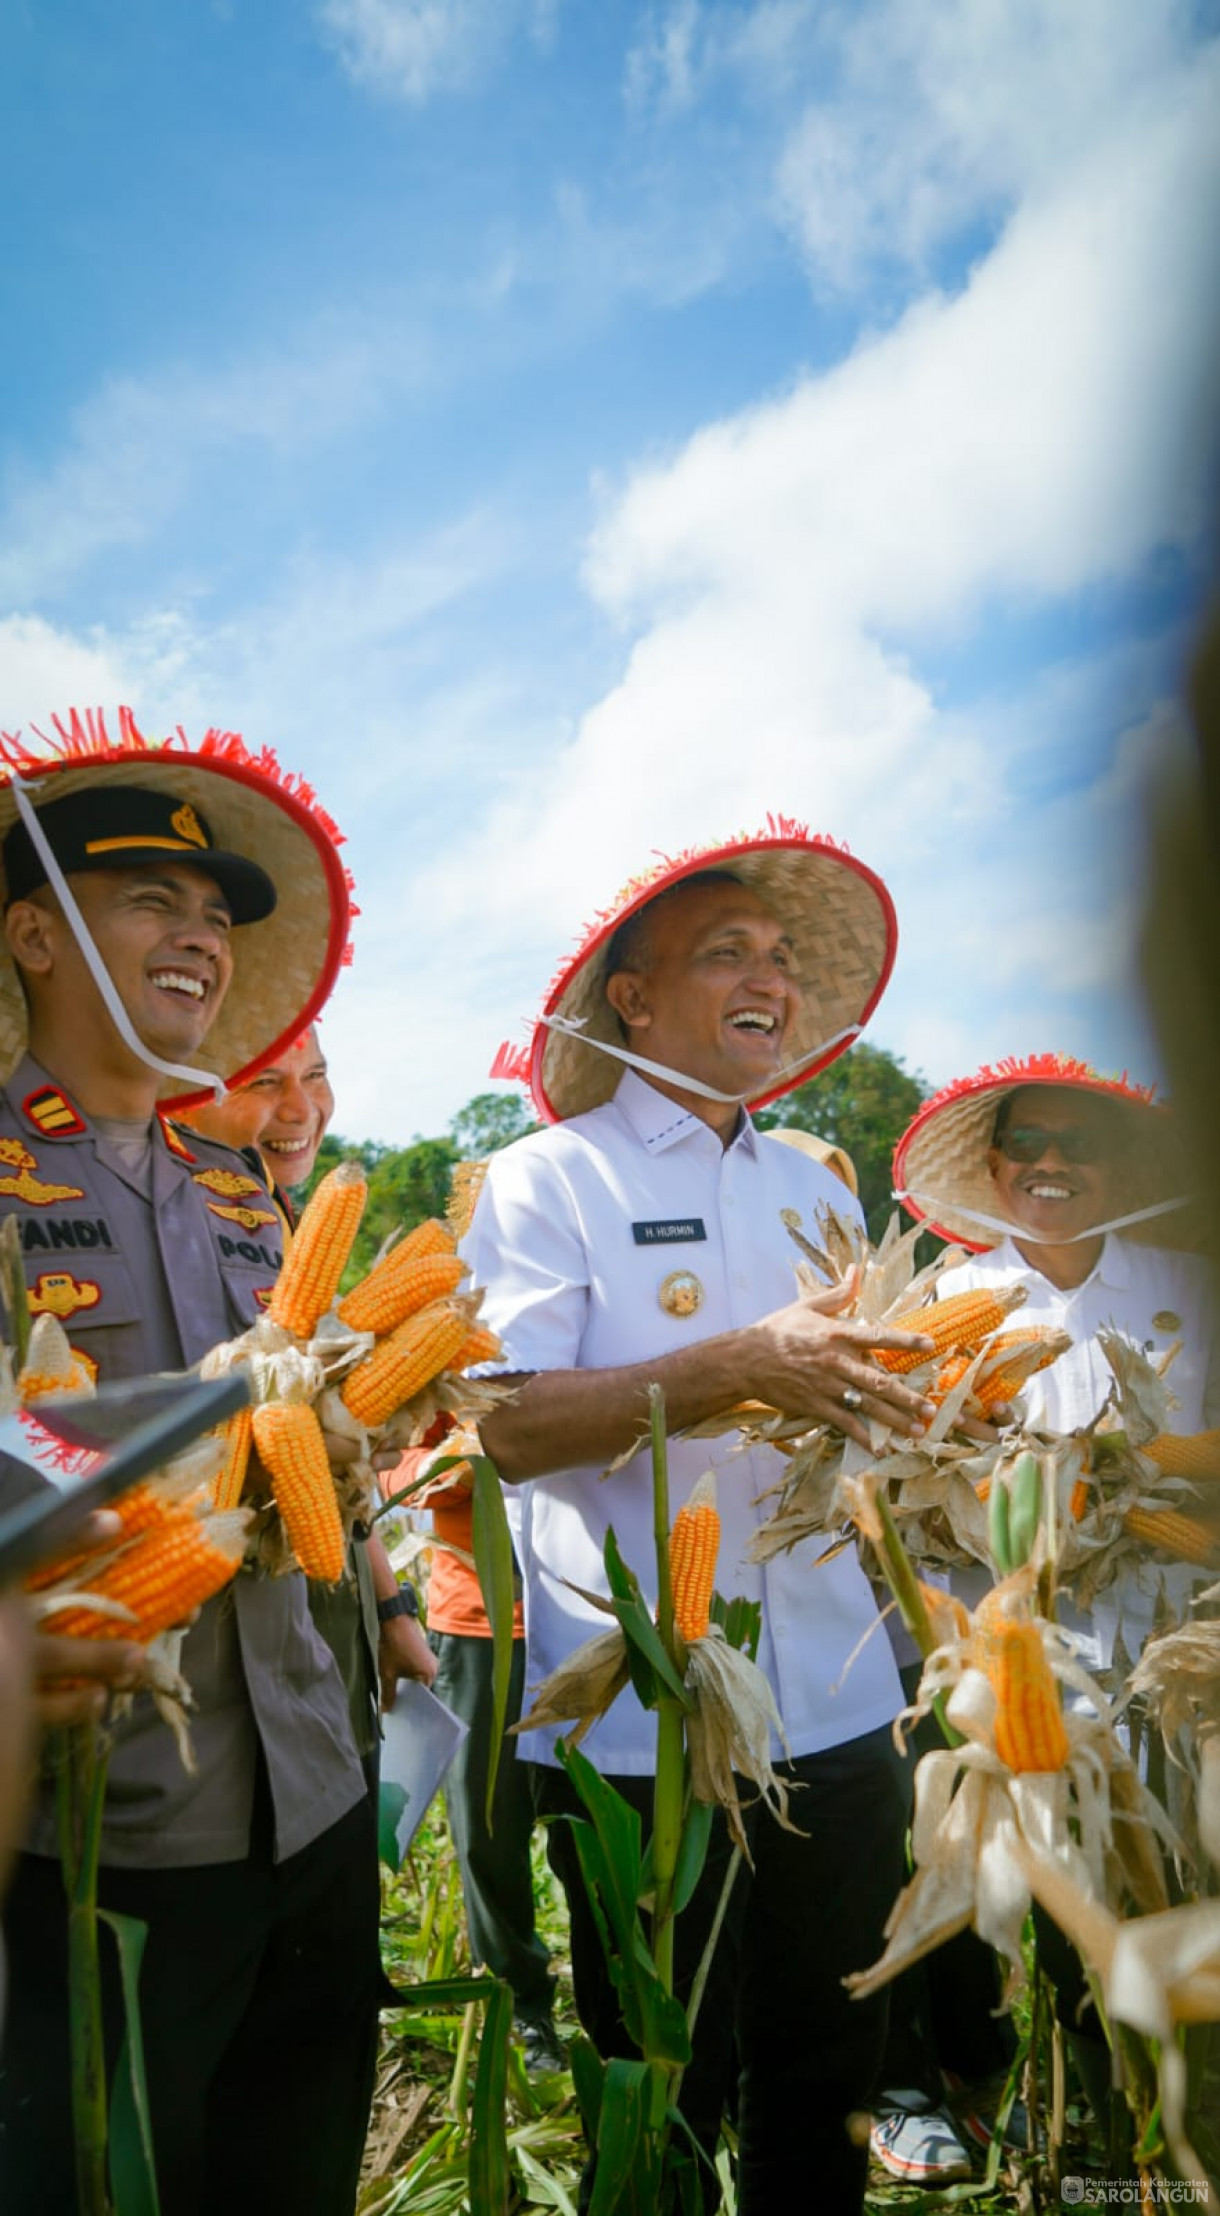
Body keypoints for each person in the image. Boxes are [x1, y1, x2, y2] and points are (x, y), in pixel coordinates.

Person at [468, 824, 941, 2212]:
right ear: (633, 996)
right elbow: (508, 1429)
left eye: (783, 960)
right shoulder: (550, 1180)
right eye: (727, 952)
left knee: (829, 2061)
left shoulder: (815, 1182)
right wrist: (737, 1366)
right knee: (663, 2080)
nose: (770, 981)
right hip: (644, 1720)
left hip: (839, 1708)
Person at [0, 707, 379, 2216]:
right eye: (153, 900)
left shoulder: (238, 1186)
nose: (200, 939)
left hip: (318, 1787)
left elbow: (314, 1445)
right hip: (112, 1824)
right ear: (32, 933)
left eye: (216, 917)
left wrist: (340, 1443)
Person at [887, 1050, 1220, 2148]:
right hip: (1019, 1650)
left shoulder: (1189, 1282)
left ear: (1120, 1168)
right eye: (1024, 1142)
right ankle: (1067, 2107)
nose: (1049, 1162)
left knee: (1172, 1872)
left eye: (1077, 1143)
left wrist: (1129, 1484)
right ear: (988, 1167)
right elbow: (915, 1482)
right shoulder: (945, 1299)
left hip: (1175, 1637)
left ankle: (1166, 2109)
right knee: (1044, 1881)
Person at [181, 1024, 438, 1777]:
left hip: (324, 1581)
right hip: (225, 1619)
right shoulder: (184, 1222)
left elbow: (326, 1464)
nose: (302, 1108)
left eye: (316, 1075)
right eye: (265, 1080)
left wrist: (390, 1610)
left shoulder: (286, 1217)